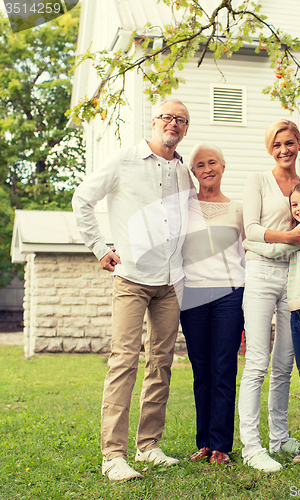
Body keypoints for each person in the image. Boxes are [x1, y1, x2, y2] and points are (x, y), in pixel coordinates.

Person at [72, 99, 194, 481]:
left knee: (161, 364)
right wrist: (99, 247)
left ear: (185, 129)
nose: (172, 124)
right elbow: (82, 199)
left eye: (181, 120)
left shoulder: (185, 172)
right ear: (154, 122)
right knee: (124, 361)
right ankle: (113, 455)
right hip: (131, 277)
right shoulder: (124, 160)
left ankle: (149, 446)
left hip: (171, 282)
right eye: (167, 117)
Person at [238, 119, 300, 472]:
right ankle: (252, 446)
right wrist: (288, 238)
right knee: (258, 362)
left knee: (284, 365)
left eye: (290, 143)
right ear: (270, 148)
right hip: (262, 276)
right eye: (277, 144)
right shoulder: (258, 181)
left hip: (296, 280)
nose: (284, 150)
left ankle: (279, 437)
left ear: (298, 144)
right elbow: (249, 231)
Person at [179, 143, 245, 465]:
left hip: (230, 295)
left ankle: (221, 445)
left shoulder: (237, 209)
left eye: (212, 162)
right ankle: (203, 442)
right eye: (200, 165)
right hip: (192, 294)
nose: (207, 169)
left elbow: (246, 256)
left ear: (223, 167)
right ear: (193, 173)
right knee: (201, 371)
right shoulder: (183, 207)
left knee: (224, 369)